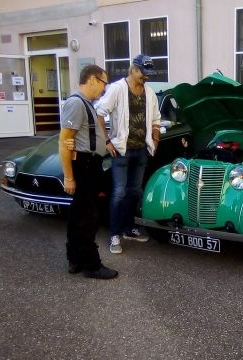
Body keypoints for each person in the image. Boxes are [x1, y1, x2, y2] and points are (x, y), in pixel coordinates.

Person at [96, 54, 162, 254]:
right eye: (143, 73)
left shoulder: (149, 93)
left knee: (135, 192)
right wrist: (107, 141)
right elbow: (99, 112)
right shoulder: (117, 88)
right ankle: (114, 235)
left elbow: (156, 119)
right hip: (122, 150)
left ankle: (128, 228)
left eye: (149, 74)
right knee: (118, 193)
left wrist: (156, 138)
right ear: (133, 69)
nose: (146, 77)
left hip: (142, 149)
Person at [59, 64, 118, 280]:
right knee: (88, 217)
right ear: (92, 80)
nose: (104, 88)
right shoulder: (76, 103)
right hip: (84, 165)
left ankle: (75, 259)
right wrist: (69, 176)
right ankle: (91, 265)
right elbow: (64, 142)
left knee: (78, 215)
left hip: (89, 164)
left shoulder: (86, 104)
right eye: (104, 83)